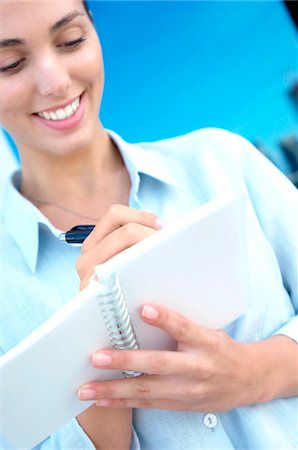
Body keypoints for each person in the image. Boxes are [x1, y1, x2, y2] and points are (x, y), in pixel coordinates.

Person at [0, 1, 297, 449]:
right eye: (11, 63)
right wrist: (92, 344)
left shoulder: (222, 163)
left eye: (71, 41)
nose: (55, 81)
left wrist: (251, 374)